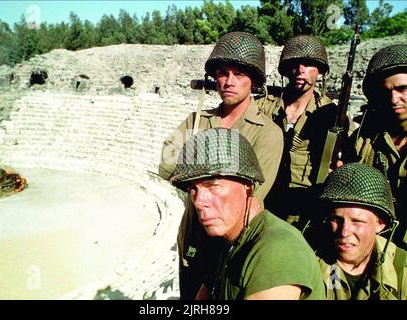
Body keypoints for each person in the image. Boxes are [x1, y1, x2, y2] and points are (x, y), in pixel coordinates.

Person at [158, 32, 284, 299]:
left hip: (229, 249)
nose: (229, 81)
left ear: (254, 80)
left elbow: (252, 195)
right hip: (192, 238)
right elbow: (167, 163)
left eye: (239, 74)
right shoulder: (197, 120)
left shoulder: (267, 133)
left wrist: (195, 165)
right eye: (223, 73)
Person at [169, 128, 325, 300]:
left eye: (214, 186)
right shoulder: (229, 244)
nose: (199, 202)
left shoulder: (276, 250)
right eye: (193, 190)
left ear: (248, 186)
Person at [262, 35, 339, 231]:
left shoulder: (331, 114)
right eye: (295, 64)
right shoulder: (265, 106)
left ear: (320, 70)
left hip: (304, 206)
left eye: (309, 64)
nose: (300, 70)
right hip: (263, 197)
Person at [317, 162, 407, 300]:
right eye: (336, 219)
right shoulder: (307, 260)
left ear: (380, 224)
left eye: (357, 221)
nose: (344, 232)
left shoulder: (401, 268)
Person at [351, 44, 407, 249]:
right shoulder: (365, 139)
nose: (394, 99)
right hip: (369, 244)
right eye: (387, 91)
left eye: (402, 89)